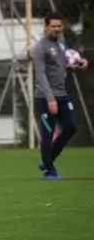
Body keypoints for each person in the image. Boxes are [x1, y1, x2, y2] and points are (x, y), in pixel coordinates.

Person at [32, 12, 88, 180]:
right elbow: (40, 75)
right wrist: (50, 99)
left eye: (59, 26)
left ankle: (47, 160)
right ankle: (50, 170)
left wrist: (79, 63)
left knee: (71, 128)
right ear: (46, 27)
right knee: (48, 133)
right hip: (46, 96)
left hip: (62, 94)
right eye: (53, 26)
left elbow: (64, 64)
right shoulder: (40, 48)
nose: (56, 29)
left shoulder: (61, 43)